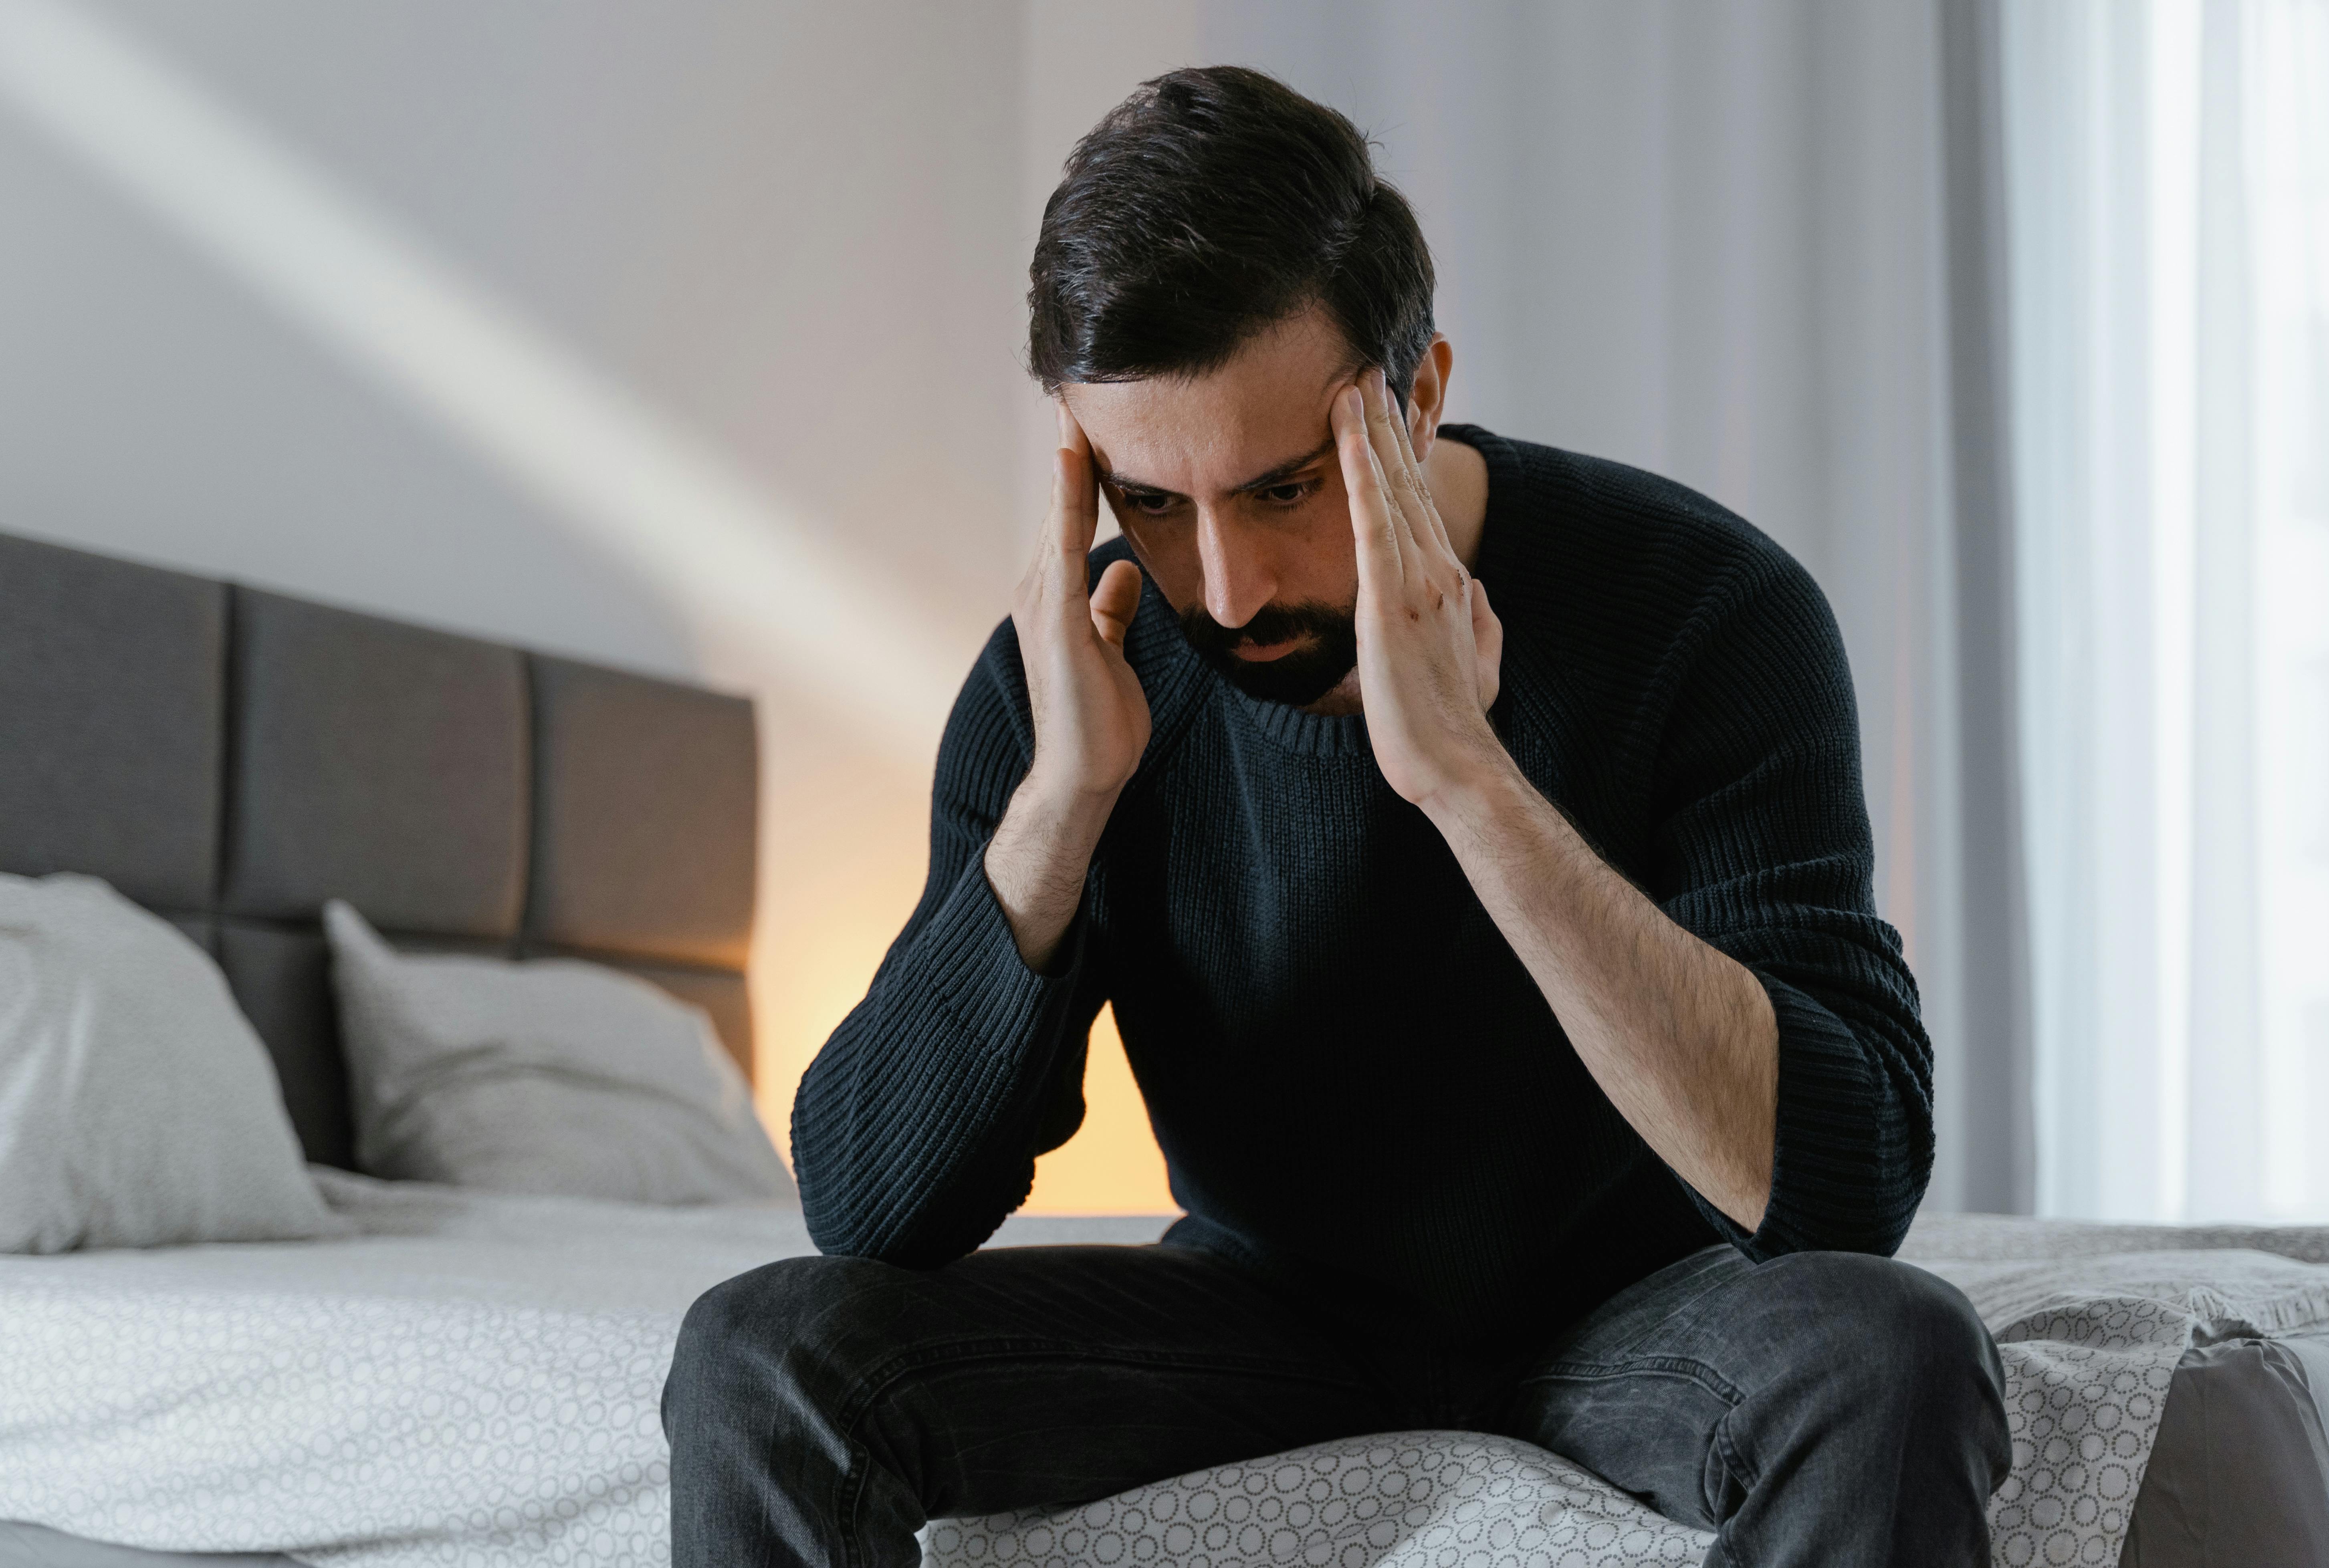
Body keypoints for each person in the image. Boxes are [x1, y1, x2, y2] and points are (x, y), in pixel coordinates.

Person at [665, 64, 2009, 1568]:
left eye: (1285, 487)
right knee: (760, 1349)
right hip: (1264, 1318)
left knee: (1893, 1351)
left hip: (1646, 1316)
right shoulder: (1076, 678)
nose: (1227, 592)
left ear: (1417, 393)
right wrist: (1065, 799)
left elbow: (1849, 1186)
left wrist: (1466, 780)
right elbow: (864, 1210)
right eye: (1153, 502)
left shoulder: (1713, 610)